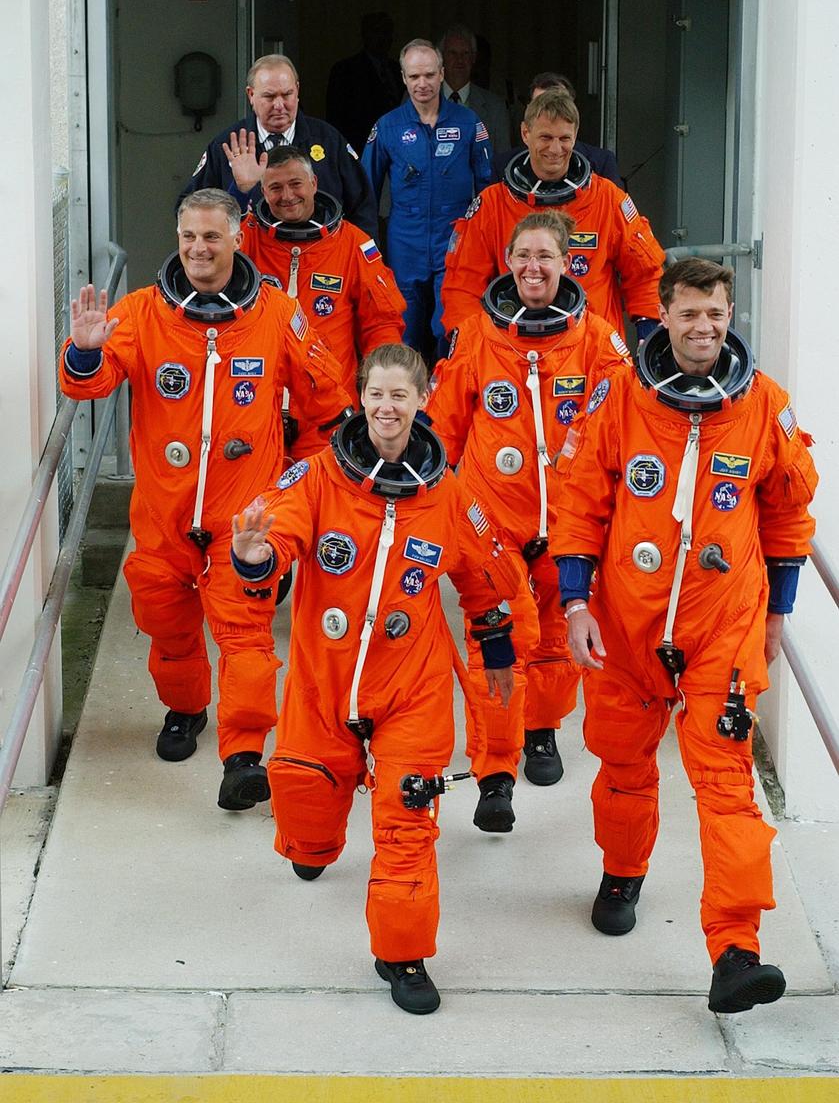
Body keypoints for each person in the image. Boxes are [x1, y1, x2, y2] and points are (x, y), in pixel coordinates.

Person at [553, 258, 818, 1014]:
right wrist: (575, 605)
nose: (704, 328)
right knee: (623, 767)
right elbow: (578, 503)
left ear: (730, 316)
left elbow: (788, 512)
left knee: (726, 785)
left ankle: (735, 949)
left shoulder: (764, 407)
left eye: (716, 314)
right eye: (689, 314)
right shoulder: (620, 399)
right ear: (660, 317)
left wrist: (776, 612)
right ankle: (622, 870)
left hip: (721, 625)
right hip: (626, 625)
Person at [230, 343, 521, 1015]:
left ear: (421, 401)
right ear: (361, 400)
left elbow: (487, 584)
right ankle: (313, 840)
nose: (386, 408)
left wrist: (498, 654)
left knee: (408, 822)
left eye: (400, 395)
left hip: (410, 689)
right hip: (323, 683)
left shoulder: (449, 495)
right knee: (305, 805)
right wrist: (254, 556)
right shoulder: (315, 479)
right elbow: (278, 541)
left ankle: (402, 953)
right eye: (376, 395)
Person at [59, 190, 353, 811]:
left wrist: (295, 485)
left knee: (246, 636)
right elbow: (90, 383)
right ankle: (186, 708)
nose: (198, 248)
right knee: (166, 626)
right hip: (163, 520)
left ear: (238, 237)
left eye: (211, 237)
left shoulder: (277, 313)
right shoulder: (143, 313)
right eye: (189, 236)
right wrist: (85, 349)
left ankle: (243, 757)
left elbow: (328, 406)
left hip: (242, 519)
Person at [427, 211, 631, 831]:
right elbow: (441, 433)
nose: (533, 267)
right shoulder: (475, 337)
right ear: (507, 262)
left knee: (556, 645)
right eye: (523, 256)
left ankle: (541, 728)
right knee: (497, 645)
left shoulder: (598, 340)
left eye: (545, 255)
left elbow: (627, 430)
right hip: (494, 525)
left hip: (570, 525)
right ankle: (494, 773)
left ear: (568, 263)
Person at [441, 88, 664, 342]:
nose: (555, 149)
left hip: (592, 351)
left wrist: (649, 336)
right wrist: (468, 343)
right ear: (526, 133)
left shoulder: (608, 200)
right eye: (545, 137)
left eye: (564, 138)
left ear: (575, 136)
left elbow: (646, 276)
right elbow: (462, 286)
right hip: (512, 351)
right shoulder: (493, 204)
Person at [239, 145, 406, 458]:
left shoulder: (352, 243)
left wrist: (380, 388)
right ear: (263, 191)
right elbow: (211, 251)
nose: (287, 195)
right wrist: (240, 189)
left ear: (314, 183)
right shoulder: (245, 240)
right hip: (256, 405)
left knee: (320, 502)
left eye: (295, 184)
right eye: (275, 187)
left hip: (327, 411)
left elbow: (382, 322)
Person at [362, 39, 492, 354]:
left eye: (430, 75)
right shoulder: (388, 126)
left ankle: (446, 394)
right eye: (415, 76)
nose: (423, 84)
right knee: (403, 323)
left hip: (454, 237)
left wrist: (485, 240)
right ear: (404, 78)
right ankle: (409, 399)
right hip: (405, 236)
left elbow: (489, 188)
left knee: (452, 323)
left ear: (442, 74)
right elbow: (365, 189)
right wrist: (368, 245)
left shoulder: (468, 122)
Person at [179, 54, 378, 239]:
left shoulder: (329, 140)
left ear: (297, 91)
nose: (279, 105)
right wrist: (239, 191)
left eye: (287, 94)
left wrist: (360, 258)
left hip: (321, 261)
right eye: (269, 96)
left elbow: (362, 206)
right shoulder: (227, 145)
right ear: (251, 95)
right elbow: (188, 208)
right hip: (253, 261)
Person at [493, 72, 622, 187]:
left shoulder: (602, 164)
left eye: (559, 103)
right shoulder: (502, 166)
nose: (551, 110)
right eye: (540, 104)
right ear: (525, 132)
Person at [325, 12, 403, 156]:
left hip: (398, 148)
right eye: (376, 31)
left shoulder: (398, 69)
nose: (381, 38)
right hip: (361, 150)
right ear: (364, 35)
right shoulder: (346, 70)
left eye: (386, 32)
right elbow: (336, 119)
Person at [439, 24, 511, 156]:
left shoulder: (495, 107)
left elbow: (503, 160)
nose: (459, 60)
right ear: (441, 58)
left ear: (473, 58)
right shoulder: (417, 99)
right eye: (453, 53)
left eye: (465, 53)